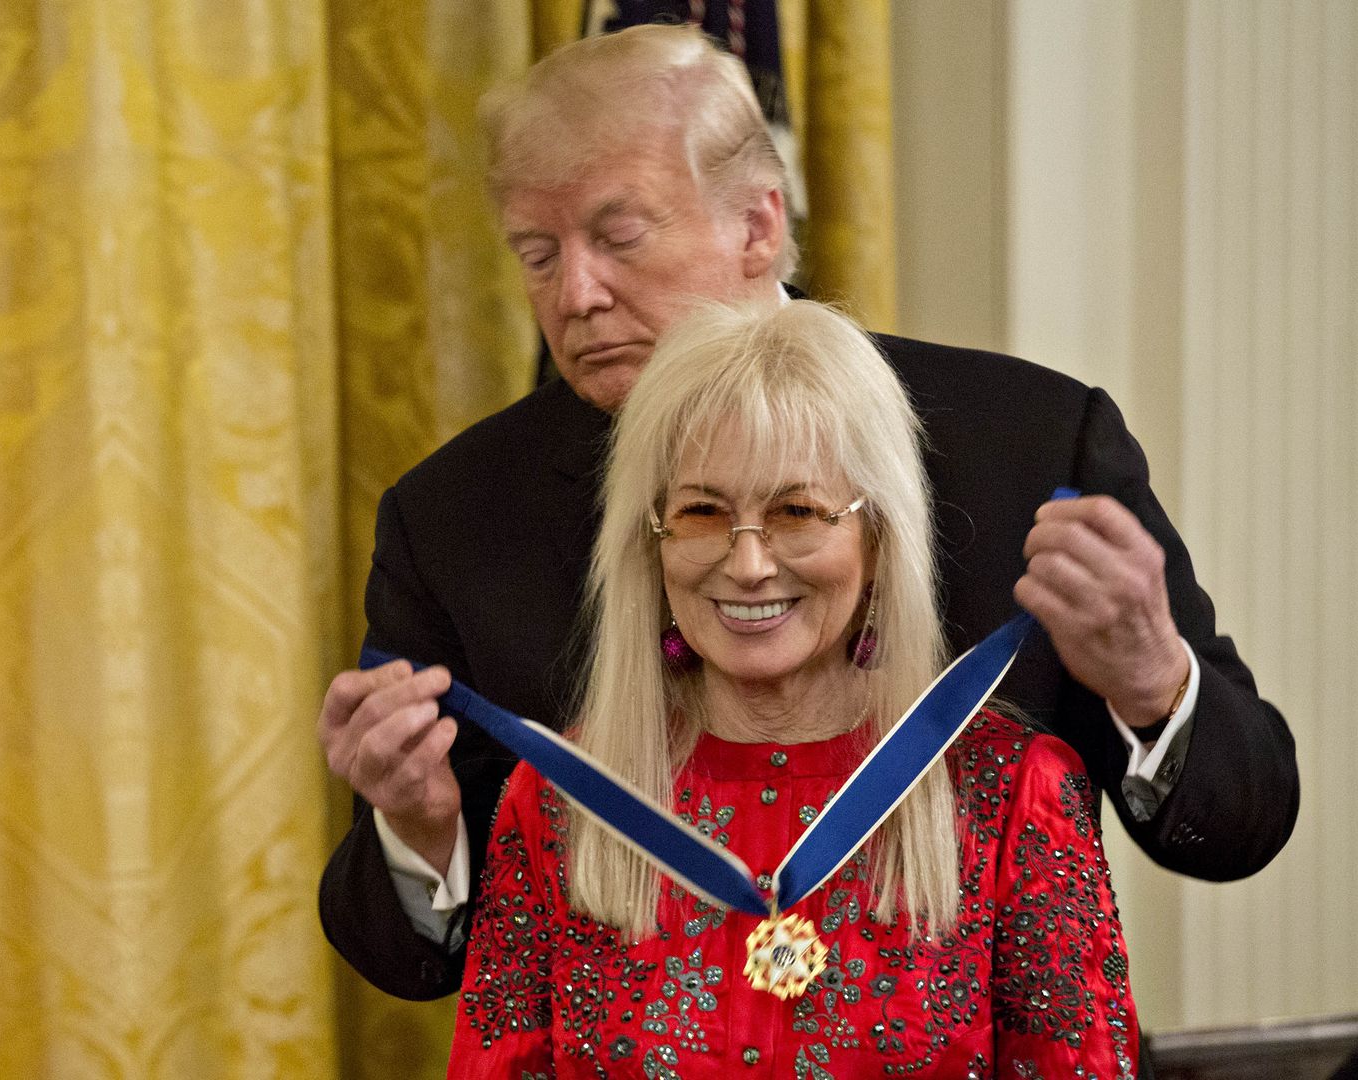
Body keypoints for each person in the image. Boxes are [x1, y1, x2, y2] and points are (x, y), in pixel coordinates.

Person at [318, 24, 1297, 1003]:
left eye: (619, 238)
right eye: (538, 254)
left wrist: (1153, 682)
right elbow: (407, 957)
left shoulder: (1029, 448)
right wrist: (417, 829)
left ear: (757, 224)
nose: (575, 294)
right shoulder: (454, 519)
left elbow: (1243, 824)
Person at [446, 297, 1138, 1077]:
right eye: (702, 512)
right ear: (652, 543)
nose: (748, 565)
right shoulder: (557, 802)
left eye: (798, 510)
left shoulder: (1014, 793)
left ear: (878, 540)